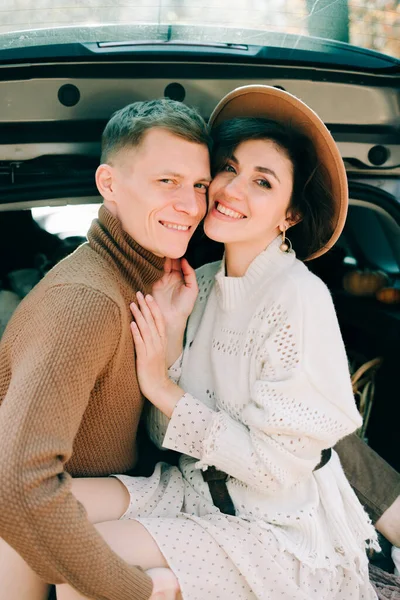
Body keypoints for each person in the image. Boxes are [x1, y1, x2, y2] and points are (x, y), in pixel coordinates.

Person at [1, 91, 399, 600]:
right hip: (192, 493)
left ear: (290, 215)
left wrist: (161, 385)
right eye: (228, 169)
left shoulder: (299, 297)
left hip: (275, 530)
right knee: (24, 523)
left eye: (262, 181)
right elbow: (169, 440)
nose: (229, 189)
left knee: (90, 555)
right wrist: (167, 346)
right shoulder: (197, 283)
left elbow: (277, 470)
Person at [0, 98, 212, 600]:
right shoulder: (88, 301)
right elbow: (14, 485)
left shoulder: (142, 282)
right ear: (109, 184)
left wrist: (173, 333)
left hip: (94, 500)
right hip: (31, 533)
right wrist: (136, 590)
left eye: (199, 185)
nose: (190, 205)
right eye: (168, 181)